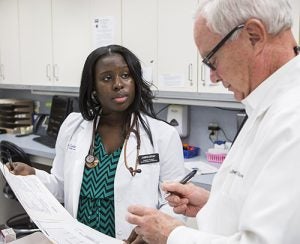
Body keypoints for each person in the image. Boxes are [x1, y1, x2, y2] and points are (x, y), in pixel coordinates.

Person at [126, 0, 300, 243]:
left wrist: (170, 234)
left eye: (212, 60)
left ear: (253, 36)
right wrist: (212, 206)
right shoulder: (265, 104)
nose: (213, 77)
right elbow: (264, 214)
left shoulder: (292, 118)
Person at [7, 44, 185, 240]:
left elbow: (174, 204)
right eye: (107, 78)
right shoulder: (73, 127)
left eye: (126, 75)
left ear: (135, 81)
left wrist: (153, 234)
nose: (118, 84)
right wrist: (33, 176)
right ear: (92, 87)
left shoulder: (163, 135)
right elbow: (60, 187)